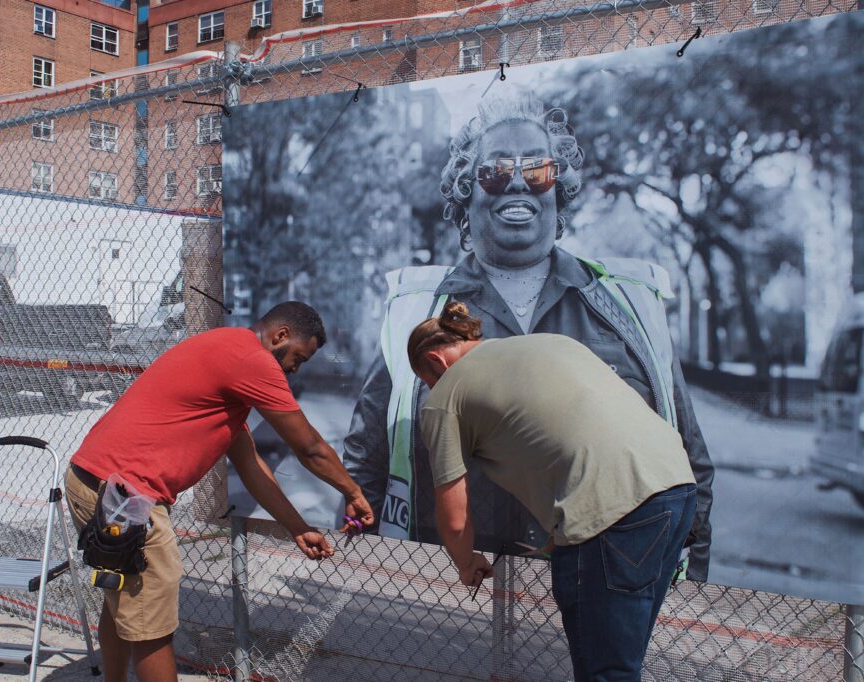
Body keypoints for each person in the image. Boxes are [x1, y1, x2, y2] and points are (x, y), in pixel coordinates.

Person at [344, 90, 714, 580]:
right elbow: (365, 462)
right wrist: (362, 571)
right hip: (446, 590)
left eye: (537, 170)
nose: (517, 182)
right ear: (466, 196)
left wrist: (690, 581)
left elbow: (690, 462)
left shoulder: (630, 307)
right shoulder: (417, 311)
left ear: (558, 192)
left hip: (599, 588)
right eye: (496, 171)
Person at [64, 301, 374, 682]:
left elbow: (250, 464)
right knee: (151, 627)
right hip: (127, 495)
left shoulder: (227, 353)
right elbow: (309, 447)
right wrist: (353, 491)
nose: (295, 369)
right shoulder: (252, 361)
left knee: (124, 601)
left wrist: (297, 527)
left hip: (92, 479)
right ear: (280, 336)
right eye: (298, 358)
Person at [409, 301, 697, 681]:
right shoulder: (549, 342)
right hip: (675, 485)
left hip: (611, 511)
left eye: (428, 381)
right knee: (622, 658)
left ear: (436, 360)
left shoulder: (446, 395)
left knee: (605, 670)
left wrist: (466, 562)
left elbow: (454, 517)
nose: (432, 389)